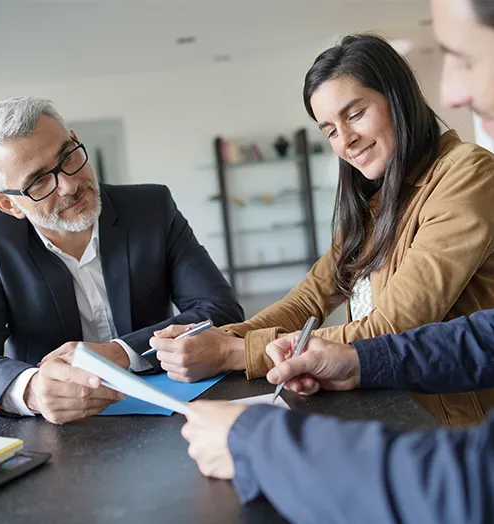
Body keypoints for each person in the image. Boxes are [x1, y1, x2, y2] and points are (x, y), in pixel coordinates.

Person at [181, 1, 494, 522]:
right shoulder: (373, 197)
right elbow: (310, 297)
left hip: (449, 439)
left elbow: (395, 326)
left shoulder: (468, 173)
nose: (344, 140)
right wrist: (222, 339)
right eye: (328, 128)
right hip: (387, 414)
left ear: (399, 99)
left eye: (355, 113)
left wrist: (235, 355)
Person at [0, 96, 244, 424]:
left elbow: (219, 308)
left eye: (68, 156)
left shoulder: (152, 207)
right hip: (58, 430)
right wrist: (31, 390)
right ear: (7, 205)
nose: (71, 184)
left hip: (169, 408)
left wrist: (120, 353)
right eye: (39, 181)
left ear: (74, 139)